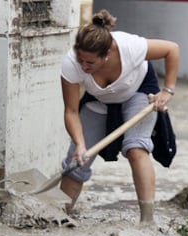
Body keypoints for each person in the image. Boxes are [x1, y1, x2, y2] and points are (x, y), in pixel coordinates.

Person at [59, 9, 179, 223]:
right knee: (77, 160)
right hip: (99, 99)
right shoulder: (72, 63)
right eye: (81, 60)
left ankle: (147, 221)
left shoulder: (129, 47)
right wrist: (79, 144)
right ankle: (59, 216)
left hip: (139, 92)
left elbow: (172, 49)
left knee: (136, 148)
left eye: (90, 63)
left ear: (107, 55)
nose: (83, 67)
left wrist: (167, 90)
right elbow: (71, 111)